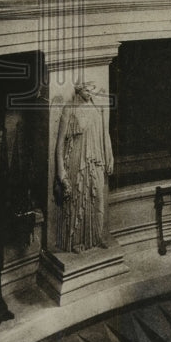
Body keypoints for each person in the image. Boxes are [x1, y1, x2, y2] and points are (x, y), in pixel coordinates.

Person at [55, 81, 113, 253]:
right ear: (79, 91)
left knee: (98, 198)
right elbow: (59, 145)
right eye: (87, 90)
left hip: (96, 158)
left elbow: (105, 134)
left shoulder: (97, 107)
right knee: (79, 198)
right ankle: (76, 240)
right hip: (77, 160)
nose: (90, 93)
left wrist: (110, 156)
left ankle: (97, 236)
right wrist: (61, 173)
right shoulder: (69, 109)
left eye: (92, 90)